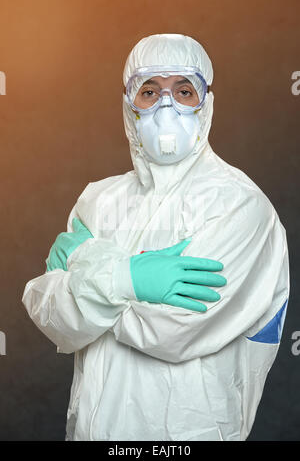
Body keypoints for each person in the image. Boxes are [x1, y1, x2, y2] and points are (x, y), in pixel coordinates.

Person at [22, 34, 289, 441]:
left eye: (184, 91)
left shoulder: (240, 206)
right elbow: (51, 315)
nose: (168, 106)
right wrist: (132, 280)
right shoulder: (98, 200)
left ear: (206, 103)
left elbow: (177, 329)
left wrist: (91, 269)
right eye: (150, 92)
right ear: (130, 106)